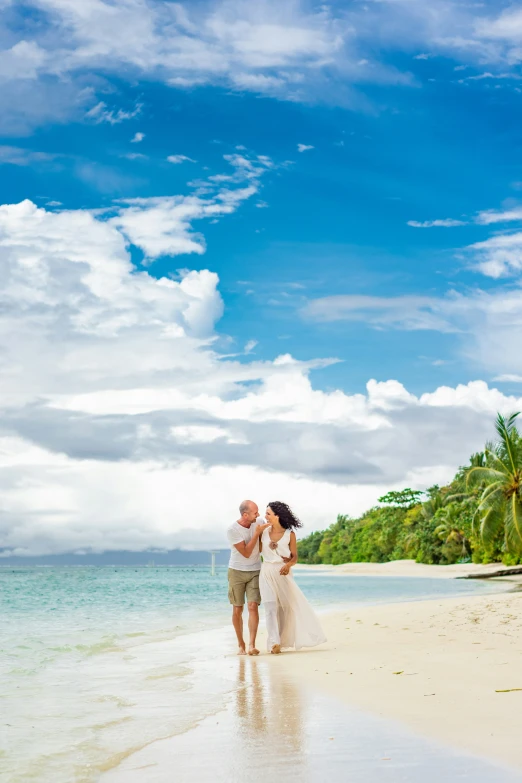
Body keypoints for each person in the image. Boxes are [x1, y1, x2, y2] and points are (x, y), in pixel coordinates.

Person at [259, 501, 327, 654]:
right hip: (266, 571)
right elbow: (256, 551)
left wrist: (288, 565)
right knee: (270, 607)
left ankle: (281, 641)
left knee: (285, 608)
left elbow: (294, 558)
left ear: (277, 516)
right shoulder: (263, 532)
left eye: (268, 513)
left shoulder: (290, 534)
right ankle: (273, 642)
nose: (265, 516)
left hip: (283, 572)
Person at [226, 499, 271, 656]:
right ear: (245, 515)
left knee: (253, 606)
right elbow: (245, 553)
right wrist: (257, 534)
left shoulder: (258, 521)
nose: (258, 515)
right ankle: (241, 644)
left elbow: (263, 543)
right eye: (255, 512)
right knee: (238, 608)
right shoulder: (232, 530)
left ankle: (252, 644)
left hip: (255, 570)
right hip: (236, 571)